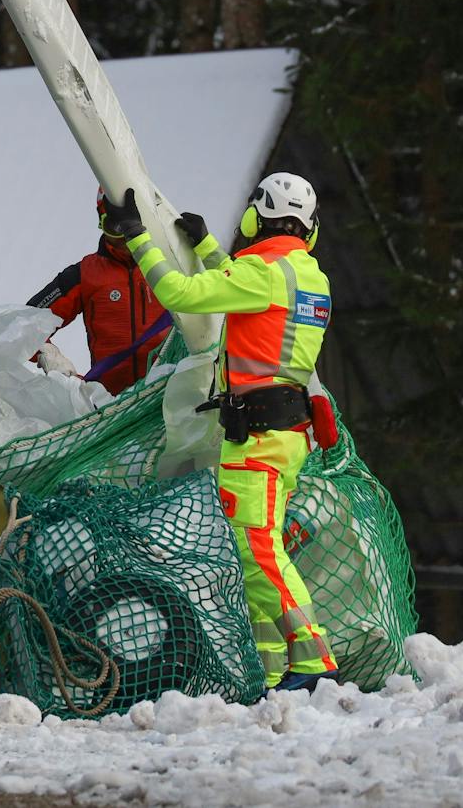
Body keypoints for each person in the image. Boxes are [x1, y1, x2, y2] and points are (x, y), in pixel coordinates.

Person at [105, 173, 341, 693]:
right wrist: (209, 247)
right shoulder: (309, 276)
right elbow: (248, 292)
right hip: (284, 431)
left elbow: (179, 293)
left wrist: (138, 237)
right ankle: (275, 667)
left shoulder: (262, 271)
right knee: (255, 548)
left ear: (257, 218)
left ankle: (313, 661)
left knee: (257, 550)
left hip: (258, 435)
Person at [25, 188, 173, 395]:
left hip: (171, 389)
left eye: (130, 223)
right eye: (114, 226)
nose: (124, 237)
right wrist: (48, 355)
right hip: (110, 404)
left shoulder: (173, 263)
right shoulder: (85, 274)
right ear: (101, 223)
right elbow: (24, 323)